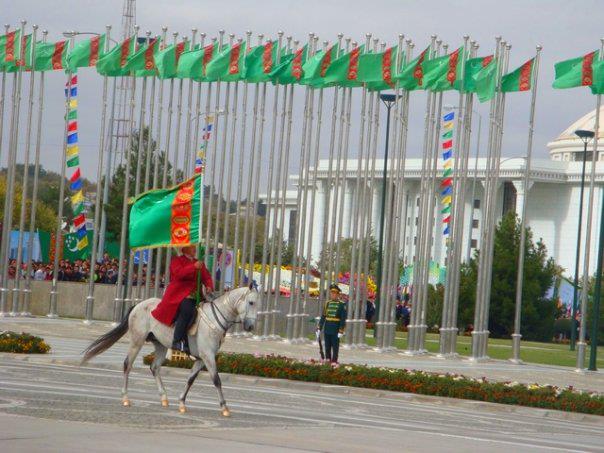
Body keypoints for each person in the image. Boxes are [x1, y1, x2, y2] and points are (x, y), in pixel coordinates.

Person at [151, 245, 213, 354]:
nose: (195, 249)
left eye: (195, 247)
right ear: (184, 249)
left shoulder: (199, 263)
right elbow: (178, 274)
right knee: (187, 310)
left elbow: (206, 277)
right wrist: (193, 267)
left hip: (197, 295)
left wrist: (209, 286)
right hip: (180, 294)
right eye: (192, 248)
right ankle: (177, 340)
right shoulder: (177, 261)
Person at [318, 284, 347, 363]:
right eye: (332, 293)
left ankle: (334, 362)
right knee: (327, 346)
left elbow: (343, 319)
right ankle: (327, 360)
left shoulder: (342, 304)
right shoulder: (327, 303)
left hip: (335, 329)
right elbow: (323, 316)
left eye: (335, 293)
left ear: (338, 294)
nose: (333, 295)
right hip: (327, 328)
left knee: (335, 347)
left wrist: (341, 330)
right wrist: (319, 327)